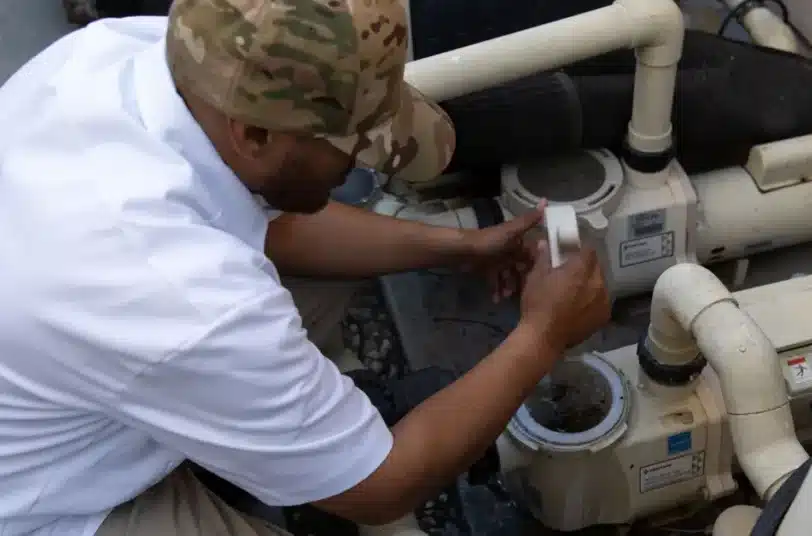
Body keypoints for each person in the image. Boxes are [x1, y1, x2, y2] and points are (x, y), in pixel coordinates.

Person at [0, 0, 612, 535]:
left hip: (68, 373)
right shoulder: (181, 294)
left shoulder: (125, 56)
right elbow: (380, 488)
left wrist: (457, 245)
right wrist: (542, 334)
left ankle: (264, 426)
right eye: (352, 145)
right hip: (39, 501)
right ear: (255, 134)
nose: (363, 164)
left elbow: (272, 222)